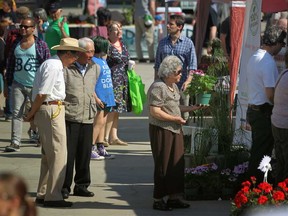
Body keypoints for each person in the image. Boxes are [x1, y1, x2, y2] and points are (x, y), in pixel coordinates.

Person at [24, 37, 86, 208]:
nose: (75, 60)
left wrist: (33, 114)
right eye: (75, 56)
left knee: (49, 155)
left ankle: (44, 192)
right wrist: (31, 114)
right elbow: (42, 93)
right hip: (51, 110)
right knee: (58, 154)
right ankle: (53, 195)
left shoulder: (52, 64)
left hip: (50, 109)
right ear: (67, 53)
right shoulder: (54, 66)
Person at [148, 55, 203, 211]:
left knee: (176, 164)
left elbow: (176, 107)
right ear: (168, 72)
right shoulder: (159, 87)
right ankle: (158, 199)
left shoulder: (174, 86)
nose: (181, 74)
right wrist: (174, 118)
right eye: (178, 72)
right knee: (163, 164)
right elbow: (155, 111)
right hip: (162, 129)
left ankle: (174, 197)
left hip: (174, 128)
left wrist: (193, 108)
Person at [246, 25, 286, 184]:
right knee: (262, 153)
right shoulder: (268, 62)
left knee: (258, 151)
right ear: (275, 42)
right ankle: (253, 187)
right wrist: (281, 104)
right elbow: (270, 94)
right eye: (282, 44)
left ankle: (253, 185)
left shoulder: (255, 56)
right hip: (263, 112)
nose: (282, 48)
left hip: (254, 110)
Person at [4, 17, 50, 152]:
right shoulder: (16, 44)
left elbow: (47, 65)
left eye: (26, 27)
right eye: (21, 26)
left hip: (35, 85)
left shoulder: (41, 45)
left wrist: (46, 86)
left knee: (39, 113)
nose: (22, 29)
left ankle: (41, 137)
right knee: (16, 113)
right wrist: (8, 84)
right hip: (18, 84)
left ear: (33, 29)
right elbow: (10, 65)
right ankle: (15, 142)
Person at [62, 37, 98, 199]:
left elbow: (90, 89)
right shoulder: (67, 69)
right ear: (80, 52)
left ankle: (82, 185)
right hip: (71, 116)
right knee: (68, 155)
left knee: (84, 154)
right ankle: (64, 187)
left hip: (88, 116)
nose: (91, 55)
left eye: (93, 51)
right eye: (88, 51)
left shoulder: (95, 68)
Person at [154, 14, 197, 120]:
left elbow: (193, 66)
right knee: (166, 112)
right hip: (164, 86)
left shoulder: (188, 43)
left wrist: (188, 81)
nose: (167, 26)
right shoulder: (162, 43)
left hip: (182, 85)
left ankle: (184, 136)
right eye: (168, 23)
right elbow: (157, 65)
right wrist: (156, 83)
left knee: (184, 114)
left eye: (171, 24)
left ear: (180, 27)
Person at [105, 22, 130, 146]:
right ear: (109, 33)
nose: (118, 31)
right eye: (115, 29)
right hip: (111, 80)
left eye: (119, 28)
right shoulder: (107, 45)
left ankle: (114, 136)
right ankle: (104, 136)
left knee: (118, 109)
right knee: (111, 108)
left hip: (122, 80)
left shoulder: (123, 44)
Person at [3, 6, 31, 122]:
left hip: (14, 65)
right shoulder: (31, 28)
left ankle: (10, 112)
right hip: (27, 67)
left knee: (11, 88)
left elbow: (7, 49)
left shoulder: (12, 32)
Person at [91, 36, 115, 158]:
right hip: (99, 96)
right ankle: (91, 147)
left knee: (103, 122)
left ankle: (100, 146)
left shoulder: (103, 60)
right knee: (98, 122)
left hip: (107, 96)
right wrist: (96, 98)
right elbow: (90, 83)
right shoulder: (94, 61)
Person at [271, 50, 288, 184]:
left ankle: (278, 194)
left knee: (281, 161)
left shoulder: (284, 73)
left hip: (277, 123)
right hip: (284, 125)